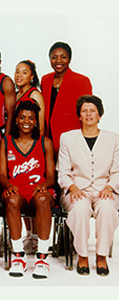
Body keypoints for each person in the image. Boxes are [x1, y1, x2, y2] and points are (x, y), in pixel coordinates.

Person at [57, 95, 119, 277]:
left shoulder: (113, 139)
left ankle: (101, 256)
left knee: (107, 209)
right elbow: (64, 172)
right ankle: (82, 256)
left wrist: (109, 187)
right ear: (79, 115)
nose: (88, 114)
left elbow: (117, 170)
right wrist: (73, 188)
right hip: (77, 190)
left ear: (100, 115)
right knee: (79, 209)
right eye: (84, 111)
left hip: (104, 190)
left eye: (93, 110)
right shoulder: (67, 138)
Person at [0, 99, 56, 279]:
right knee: (12, 200)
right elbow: (1, 174)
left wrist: (43, 186)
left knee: (42, 199)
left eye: (31, 118)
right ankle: (18, 255)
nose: (26, 121)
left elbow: (52, 177)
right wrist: (9, 186)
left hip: (38, 189)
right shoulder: (6, 142)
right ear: (16, 119)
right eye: (22, 117)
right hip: (17, 188)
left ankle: (42, 257)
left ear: (36, 121)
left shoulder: (44, 142)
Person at [14, 59, 45, 254]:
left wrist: (36, 147)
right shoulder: (18, 93)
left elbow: (39, 125)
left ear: (32, 76)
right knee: (22, 186)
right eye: (17, 72)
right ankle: (30, 233)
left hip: (33, 146)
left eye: (24, 72)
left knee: (33, 189)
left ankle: (35, 235)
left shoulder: (35, 94)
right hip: (19, 144)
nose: (19, 75)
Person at [41, 41, 92, 153]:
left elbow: (87, 114)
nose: (58, 61)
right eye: (54, 57)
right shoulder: (45, 80)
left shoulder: (81, 81)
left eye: (63, 57)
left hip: (72, 140)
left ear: (69, 59)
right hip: (50, 139)